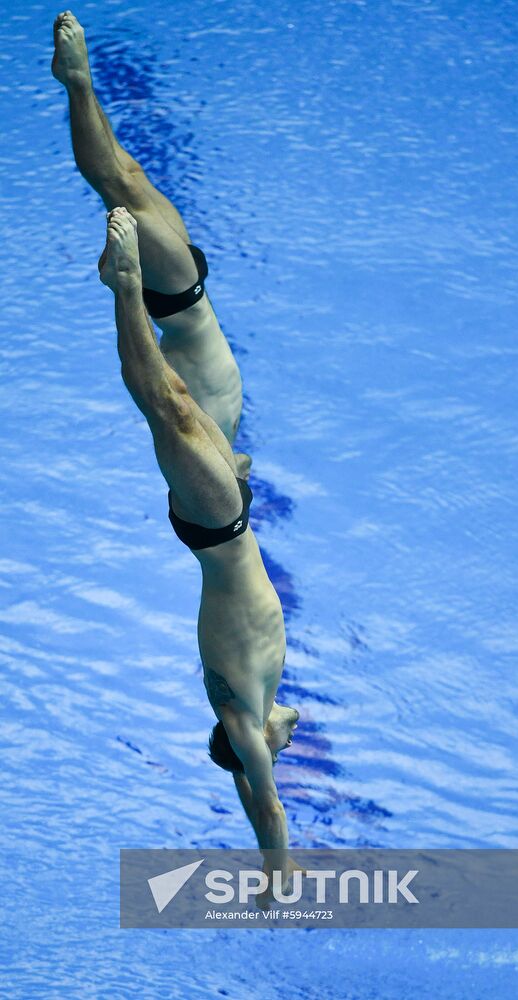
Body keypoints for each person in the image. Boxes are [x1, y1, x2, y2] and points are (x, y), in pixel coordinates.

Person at [98, 206, 300, 888]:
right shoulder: (263, 700)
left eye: (274, 751)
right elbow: (256, 788)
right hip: (231, 518)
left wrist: (276, 876)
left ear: (248, 752)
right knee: (181, 398)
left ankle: (124, 286)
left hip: (214, 528)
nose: (289, 741)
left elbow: (266, 807)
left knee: (169, 409)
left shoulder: (242, 717)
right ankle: (129, 288)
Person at [52, 10, 245, 458]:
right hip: (193, 295)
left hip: (181, 303)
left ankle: (77, 80)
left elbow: (153, 386)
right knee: (130, 175)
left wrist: (127, 287)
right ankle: (78, 81)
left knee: (117, 186)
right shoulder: (227, 452)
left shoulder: (196, 443)